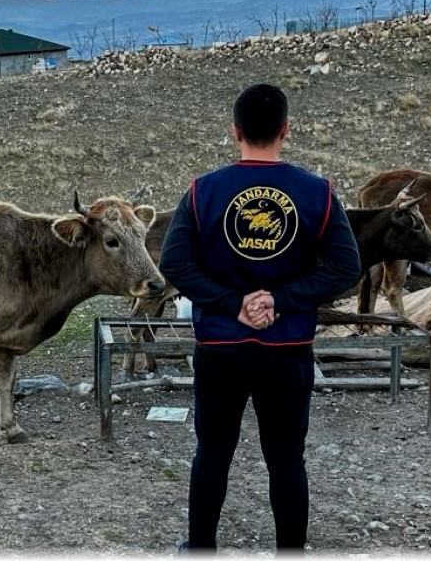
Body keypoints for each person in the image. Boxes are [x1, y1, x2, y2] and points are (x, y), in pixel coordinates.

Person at [159, 84, 361, 554]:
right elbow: (345, 268)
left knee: (212, 452)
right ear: (285, 130)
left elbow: (176, 263)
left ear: (235, 132)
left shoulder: (202, 191)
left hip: (220, 350)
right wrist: (281, 301)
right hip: (287, 352)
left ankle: (200, 548)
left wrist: (233, 305)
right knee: (287, 460)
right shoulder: (318, 193)